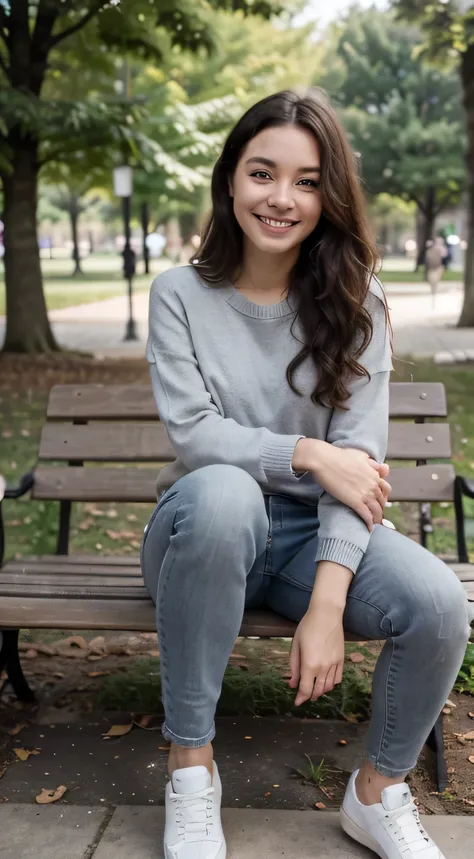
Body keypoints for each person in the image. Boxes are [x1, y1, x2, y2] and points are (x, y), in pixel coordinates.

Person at [142, 89, 471, 859]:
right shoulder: (179, 295)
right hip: (199, 536)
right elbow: (195, 435)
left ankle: (378, 791)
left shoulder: (358, 301)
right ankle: (191, 767)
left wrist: (327, 602)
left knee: (438, 604)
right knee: (225, 494)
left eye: (308, 180)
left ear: (330, 195)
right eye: (263, 173)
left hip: (305, 542)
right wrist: (309, 452)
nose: (281, 198)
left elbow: (359, 478)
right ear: (231, 179)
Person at [425, 237, 445, 308]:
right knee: (432, 281)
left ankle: (434, 294)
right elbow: (427, 259)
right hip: (431, 268)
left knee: (435, 281)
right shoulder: (430, 250)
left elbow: (445, 257)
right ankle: (433, 293)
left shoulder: (441, 249)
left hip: (438, 268)